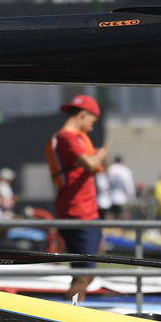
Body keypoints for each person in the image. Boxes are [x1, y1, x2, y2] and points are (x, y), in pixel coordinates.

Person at [45, 94, 107, 302]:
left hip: (85, 213)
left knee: (84, 273)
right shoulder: (68, 138)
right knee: (85, 274)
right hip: (79, 215)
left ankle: (69, 313)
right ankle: (69, 318)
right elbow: (89, 165)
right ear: (83, 115)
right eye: (92, 121)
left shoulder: (70, 138)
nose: (91, 127)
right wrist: (101, 154)